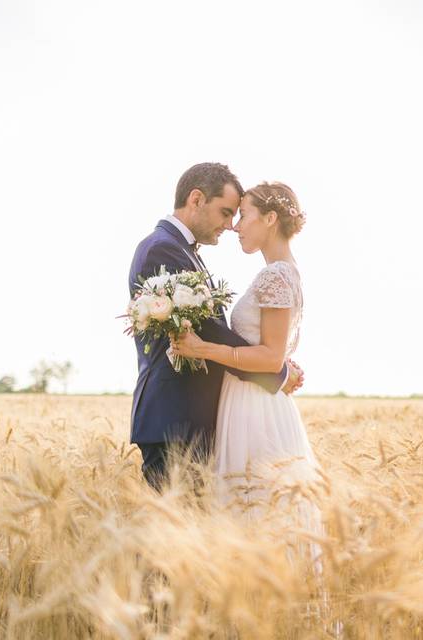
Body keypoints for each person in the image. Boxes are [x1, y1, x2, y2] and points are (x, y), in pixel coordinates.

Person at [128, 164, 304, 490]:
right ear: (196, 199)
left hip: (195, 419)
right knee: (174, 533)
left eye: (237, 215)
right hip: (175, 418)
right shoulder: (162, 248)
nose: (230, 225)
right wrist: (275, 369)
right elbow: (206, 329)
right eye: (225, 213)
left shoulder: (181, 250)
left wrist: (272, 358)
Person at [170, 181, 323, 555]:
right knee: (262, 512)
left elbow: (270, 358)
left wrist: (203, 347)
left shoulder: (276, 275)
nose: (236, 225)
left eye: (244, 216)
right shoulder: (285, 272)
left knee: (253, 509)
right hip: (256, 399)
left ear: (270, 219)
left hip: (254, 405)